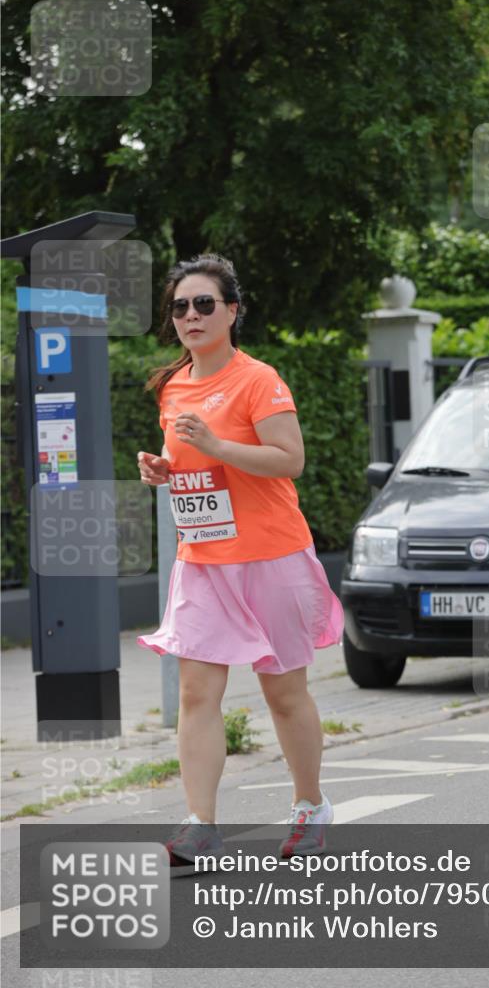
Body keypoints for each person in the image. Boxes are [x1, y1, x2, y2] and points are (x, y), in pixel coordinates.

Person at [136, 253, 344, 875]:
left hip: (270, 555)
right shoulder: (173, 386)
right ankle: (200, 825)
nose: (191, 315)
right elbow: (192, 462)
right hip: (202, 558)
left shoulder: (258, 379)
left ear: (232, 311)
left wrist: (217, 445)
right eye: (180, 306)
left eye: (204, 304)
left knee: (283, 692)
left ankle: (309, 806)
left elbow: (289, 459)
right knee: (196, 692)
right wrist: (164, 470)